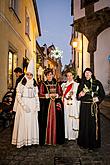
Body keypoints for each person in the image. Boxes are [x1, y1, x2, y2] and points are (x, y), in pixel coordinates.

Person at [12, 59, 40, 148]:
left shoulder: (35, 84)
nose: (29, 76)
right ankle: (23, 141)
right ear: (25, 74)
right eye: (27, 74)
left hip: (32, 105)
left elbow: (36, 96)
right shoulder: (21, 83)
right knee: (24, 122)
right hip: (24, 105)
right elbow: (18, 96)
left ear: (33, 75)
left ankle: (31, 140)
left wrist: (37, 105)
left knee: (31, 122)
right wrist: (23, 105)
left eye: (31, 74)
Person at [76, 68, 105, 149]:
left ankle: (93, 143)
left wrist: (97, 99)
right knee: (84, 124)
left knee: (93, 125)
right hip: (84, 107)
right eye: (86, 73)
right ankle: (84, 142)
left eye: (89, 72)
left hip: (93, 107)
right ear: (84, 74)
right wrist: (80, 95)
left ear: (92, 73)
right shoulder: (81, 83)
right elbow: (77, 97)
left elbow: (102, 94)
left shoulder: (97, 83)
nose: (87, 74)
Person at [39, 68, 65, 145]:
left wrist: (57, 95)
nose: (49, 76)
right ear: (46, 76)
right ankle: (46, 139)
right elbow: (40, 94)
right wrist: (48, 95)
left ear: (53, 75)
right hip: (46, 106)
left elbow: (60, 93)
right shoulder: (43, 84)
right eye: (48, 75)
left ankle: (56, 139)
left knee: (57, 121)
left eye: (51, 75)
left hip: (56, 104)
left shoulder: (57, 84)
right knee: (46, 120)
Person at [61, 71, 80, 141]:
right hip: (65, 104)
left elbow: (78, 95)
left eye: (70, 75)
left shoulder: (77, 85)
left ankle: (73, 135)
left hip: (73, 104)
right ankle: (66, 134)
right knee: (66, 118)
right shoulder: (63, 85)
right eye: (67, 76)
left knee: (72, 118)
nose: (69, 77)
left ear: (73, 76)